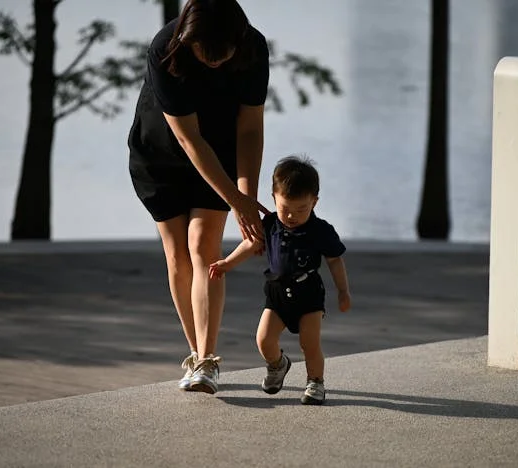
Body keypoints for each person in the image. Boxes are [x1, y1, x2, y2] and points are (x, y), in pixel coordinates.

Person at [127, 0, 271, 394]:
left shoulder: (253, 48)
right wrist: (238, 203)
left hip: (221, 152)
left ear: (237, 41)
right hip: (160, 155)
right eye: (202, 53)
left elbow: (250, 130)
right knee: (177, 253)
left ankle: (206, 363)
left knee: (203, 246)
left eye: (219, 55)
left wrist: (246, 197)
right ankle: (196, 354)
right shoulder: (164, 48)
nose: (211, 61)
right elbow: (189, 140)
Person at [209, 155, 351, 405]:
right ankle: (278, 365)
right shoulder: (270, 224)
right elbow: (251, 244)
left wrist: (343, 291)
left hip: (308, 294)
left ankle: (315, 382)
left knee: (310, 343)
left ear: (314, 202)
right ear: (274, 197)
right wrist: (226, 263)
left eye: (301, 209)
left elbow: (335, 261)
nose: (292, 216)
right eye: (285, 208)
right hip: (276, 292)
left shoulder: (321, 231)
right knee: (263, 339)